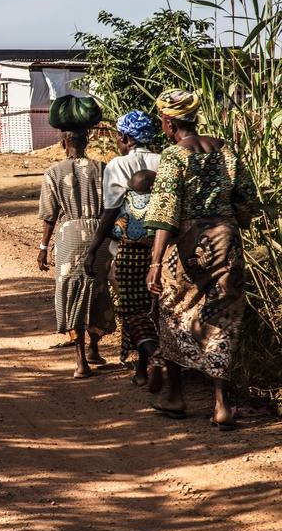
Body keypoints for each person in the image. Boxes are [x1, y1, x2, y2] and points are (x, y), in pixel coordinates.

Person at [145, 90, 257, 430]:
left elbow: (165, 212)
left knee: (174, 310)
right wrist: (233, 220)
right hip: (226, 239)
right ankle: (222, 405)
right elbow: (247, 199)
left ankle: (175, 395)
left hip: (188, 243)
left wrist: (155, 262)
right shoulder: (225, 148)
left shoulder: (173, 156)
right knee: (223, 316)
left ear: (168, 121)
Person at [83, 111, 163, 388]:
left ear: (126, 137)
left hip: (128, 251)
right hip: (162, 249)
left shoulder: (117, 165)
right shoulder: (163, 160)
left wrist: (93, 248)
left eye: (118, 136)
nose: (117, 140)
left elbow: (111, 211)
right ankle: (141, 369)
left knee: (131, 309)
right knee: (154, 309)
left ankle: (154, 359)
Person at [38, 128, 114, 378]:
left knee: (71, 293)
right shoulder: (103, 169)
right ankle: (94, 347)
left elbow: (50, 216)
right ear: (87, 140)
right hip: (99, 234)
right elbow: (112, 208)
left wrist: (43, 248)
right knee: (98, 290)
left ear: (63, 143)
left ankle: (80, 360)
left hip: (69, 235)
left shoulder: (53, 173)